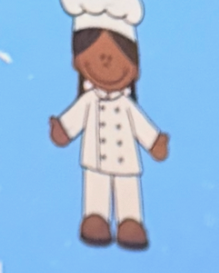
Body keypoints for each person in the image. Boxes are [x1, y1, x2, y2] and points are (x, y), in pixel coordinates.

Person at [50, 0, 169, 250]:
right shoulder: (89, 101)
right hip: (95, 156)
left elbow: (141, 126)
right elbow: (73, 120)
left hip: (125, 158)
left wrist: (155, 142)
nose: (105, 60)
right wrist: (62, 129)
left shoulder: (127, 106)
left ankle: (130, 221)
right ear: (78, 62)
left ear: (134, 68)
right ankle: (95, 217)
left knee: (128, 187)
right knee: (95, 186)